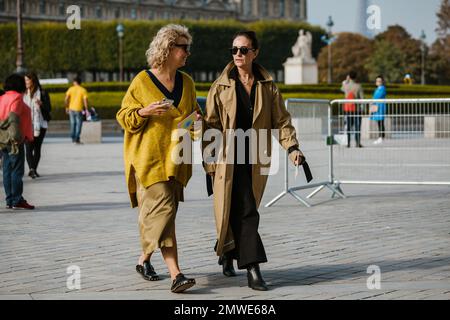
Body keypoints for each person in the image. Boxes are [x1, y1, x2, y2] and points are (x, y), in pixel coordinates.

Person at [202, 31, 305, 291]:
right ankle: (253, 268)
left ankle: (226, 252)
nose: (238, 54)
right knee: (246, 210)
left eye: (244, 50)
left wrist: (292, 147)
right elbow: (211, 126)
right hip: (227, 159)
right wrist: (209, 163)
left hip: (256, 158)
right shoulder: (220, 86)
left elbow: (281, 121)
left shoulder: (268, 86)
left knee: (241, 208)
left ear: (255, 53)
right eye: (234, 50)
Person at [116, 24, 199, 293]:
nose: (188, 52)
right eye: (183, 47)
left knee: (165, 215)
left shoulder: (187, 82)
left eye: (188, 47)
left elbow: (191, 121)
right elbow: (124, 117)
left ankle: (143, 260)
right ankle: (176, 274)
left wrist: (195, 121)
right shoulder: (141, 81)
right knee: (164, 211)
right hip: (149, 160)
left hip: (177, 160)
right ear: (168, 49)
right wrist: (144, 112)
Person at [0, 74, 35, 210]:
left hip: (3, 139)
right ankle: (17, 199)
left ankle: (10, 199)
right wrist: (16, 138)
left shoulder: (2, 98)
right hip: (14, 140)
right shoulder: (16, 98)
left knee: (7, 170)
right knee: (16, 171)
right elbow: (13, 119)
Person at [23, 72, 51, 178]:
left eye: (27, 80)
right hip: (27, 124)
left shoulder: (43, 93)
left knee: (37, 147)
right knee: (28, 148)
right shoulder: (23, 93)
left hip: (40, 123)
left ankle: (33, 169)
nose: (25, 82)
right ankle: (31, 169)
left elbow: (49, 108)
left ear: (33, 81)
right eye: (24, 80)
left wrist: (41, 104)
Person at [341, 71, 364, 148]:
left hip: (348, 109)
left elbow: (341, 88)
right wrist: (363, 108)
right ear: (356, 77)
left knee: (348, 127)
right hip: (356, 109)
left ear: (349, 77)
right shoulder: (359, 86)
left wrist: (347, 80)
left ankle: (348, 143)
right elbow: (362, 99)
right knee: (357, 127)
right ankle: (357, 143)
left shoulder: (346, 86)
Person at [65, 76, 89, 144]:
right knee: (79, 124)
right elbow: (85, 100)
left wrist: (66, 107)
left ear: (74, 82)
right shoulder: (83, 90)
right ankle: (77, 138)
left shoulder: (70, 89)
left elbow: (66, 99)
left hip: (71, 109)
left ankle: (73, 137)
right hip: (79, 109)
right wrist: (86, 109)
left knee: (72, 123)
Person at [369, 75, 387, 144]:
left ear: (382, 82)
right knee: (379, 122)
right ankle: (380, 136)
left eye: (379, 81)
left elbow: (376, 97)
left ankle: (381, 137)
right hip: (377, 106)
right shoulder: (378, 89)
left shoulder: (382, 88)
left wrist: (372, 101)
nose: (378, 82)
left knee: (381, 122)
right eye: (377, 81)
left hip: (380, 107)